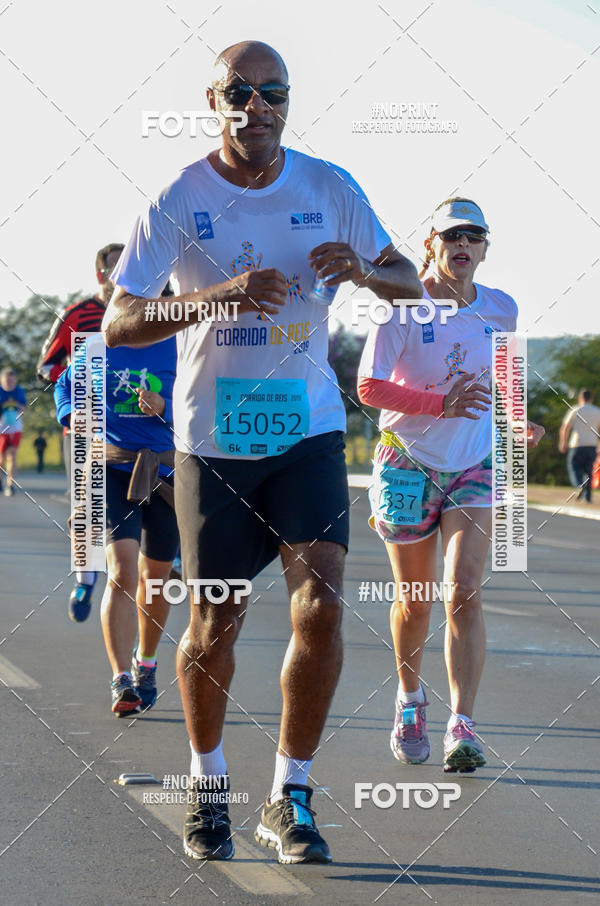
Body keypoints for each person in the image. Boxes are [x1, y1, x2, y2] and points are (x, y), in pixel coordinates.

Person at [102, 40, 422, 864]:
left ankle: (290, 796)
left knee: (321, 602)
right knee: (216, 619)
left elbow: (409, 282)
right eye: (239, 92)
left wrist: (365, 269)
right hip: (214, 438)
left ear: (288, 100)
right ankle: (209, 785)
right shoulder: (179, 197)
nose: (258, 105)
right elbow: (120, 321)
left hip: (307, 427)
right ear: (214, 102)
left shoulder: (330, 186)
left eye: (273, 91)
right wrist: (218, 296)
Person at [358, 197, 545, 774]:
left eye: (474, 236)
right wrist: (440, 403)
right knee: (415, 599)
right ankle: (410, 699)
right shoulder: (401, 308)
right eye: (452, 235)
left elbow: (505, 373)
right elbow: (368, 387)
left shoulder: (502, 308)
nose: (463, 244)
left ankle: (462, 724)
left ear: (485, 248)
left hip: (474, 461)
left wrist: (518, 419)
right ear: (431, 245)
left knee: (463, 589)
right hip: (407, 461)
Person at [54, 336, 178, 712]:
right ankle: (121, 678)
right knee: (122, 572)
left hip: (166, 471)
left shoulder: (181, 343)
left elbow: (206, 401)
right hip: (111, 466)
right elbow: (64, 385)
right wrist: (70, 414)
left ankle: (146, 662)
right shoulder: (98, 345)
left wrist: (166, 406)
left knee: (155, 580)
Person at [37, 243, 124, 618]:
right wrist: (80, 395)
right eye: (115, 268)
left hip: (138, 429)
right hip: (86, 428)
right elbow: (46, 367)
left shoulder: (148, 310)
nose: (122, 274)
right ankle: (86, 581)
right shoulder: (77, 314)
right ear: (100, 275)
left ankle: (142, 575)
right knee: (88, 509)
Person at [558, 389, 600, 503]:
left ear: (580, 398)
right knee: (589, 471)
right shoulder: (597, 411)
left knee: (573, 466)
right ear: (591, 399)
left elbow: (565, 427)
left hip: (576, 444)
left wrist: (563, 442)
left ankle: (579, 485)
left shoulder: (575, 410)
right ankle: (588, 498)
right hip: (592, 445)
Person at [0, 367, 26, 496]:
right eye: (7, 380)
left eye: (12, 380)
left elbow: (24, 408)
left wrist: (18, 407)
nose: (10, 383)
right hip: (1, 429)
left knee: (12, 455)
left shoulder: (19, 392)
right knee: (1, 458)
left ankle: (10, 485)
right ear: (2, 380)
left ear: (15, 380)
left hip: (15, 428)